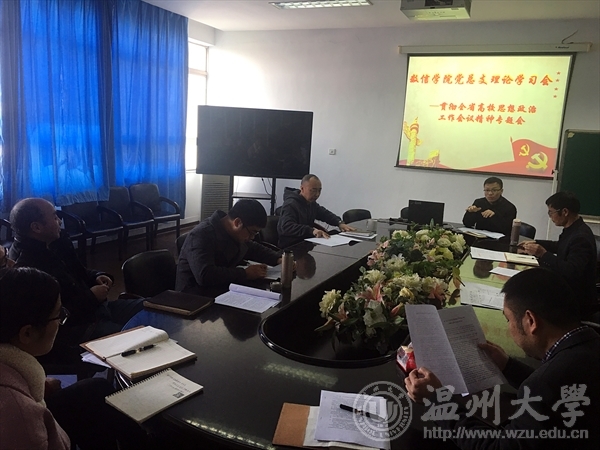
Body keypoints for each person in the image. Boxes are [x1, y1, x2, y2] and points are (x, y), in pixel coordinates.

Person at [404, 268, 599, 449]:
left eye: (508, 319)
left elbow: (497, 447)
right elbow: (556, 385)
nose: (509, 327)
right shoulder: (590, 342)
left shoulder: (546, 384)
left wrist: (437, 400)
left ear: (530, 321)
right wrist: (508, 366)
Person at [0, 267, 150, 450]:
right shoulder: (18, 414)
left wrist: (41, 386)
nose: (60, 322)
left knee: (97, 390)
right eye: (58, 316)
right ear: (27, 333)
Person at [8, 198, 144, 361]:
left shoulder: (56, 241)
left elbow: (78, 271)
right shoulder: (25, 267)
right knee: (137, 339)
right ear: (36, 227)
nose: (60, 221)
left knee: (149, 307)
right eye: (54, 217)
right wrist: (91, 297)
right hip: (75, 329)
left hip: (95, 309)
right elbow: (52, 319)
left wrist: (96, 276)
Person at [176, 199, 282, 291]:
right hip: (194, 297)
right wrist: (245, 274)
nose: (252, 237)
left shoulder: (232, 232)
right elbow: (204, 275)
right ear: (237, 222)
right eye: (252, 232)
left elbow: (253, 248)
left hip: (220, 289)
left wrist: (278, 259)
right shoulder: (202, 234)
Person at [521, 191, 597, 318]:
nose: (550, 217)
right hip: (567, 287)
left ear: (565, 212)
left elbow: (571, 271)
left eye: (551, 212)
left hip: (576, 299)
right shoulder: (573, 228)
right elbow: (560, 246)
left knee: (530, 295)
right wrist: (536, 243)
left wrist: (543, 254)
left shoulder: (581, 237)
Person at [277, 174, 355, 248]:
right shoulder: (290, 204)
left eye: (319, 191)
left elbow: (324, 214)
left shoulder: (311, 203)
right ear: (302, 188)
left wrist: (339, 223)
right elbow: (286, 227)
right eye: (313, 190)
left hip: (306, 242)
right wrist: (312, 231)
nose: (317, 194)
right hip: (291, 247)